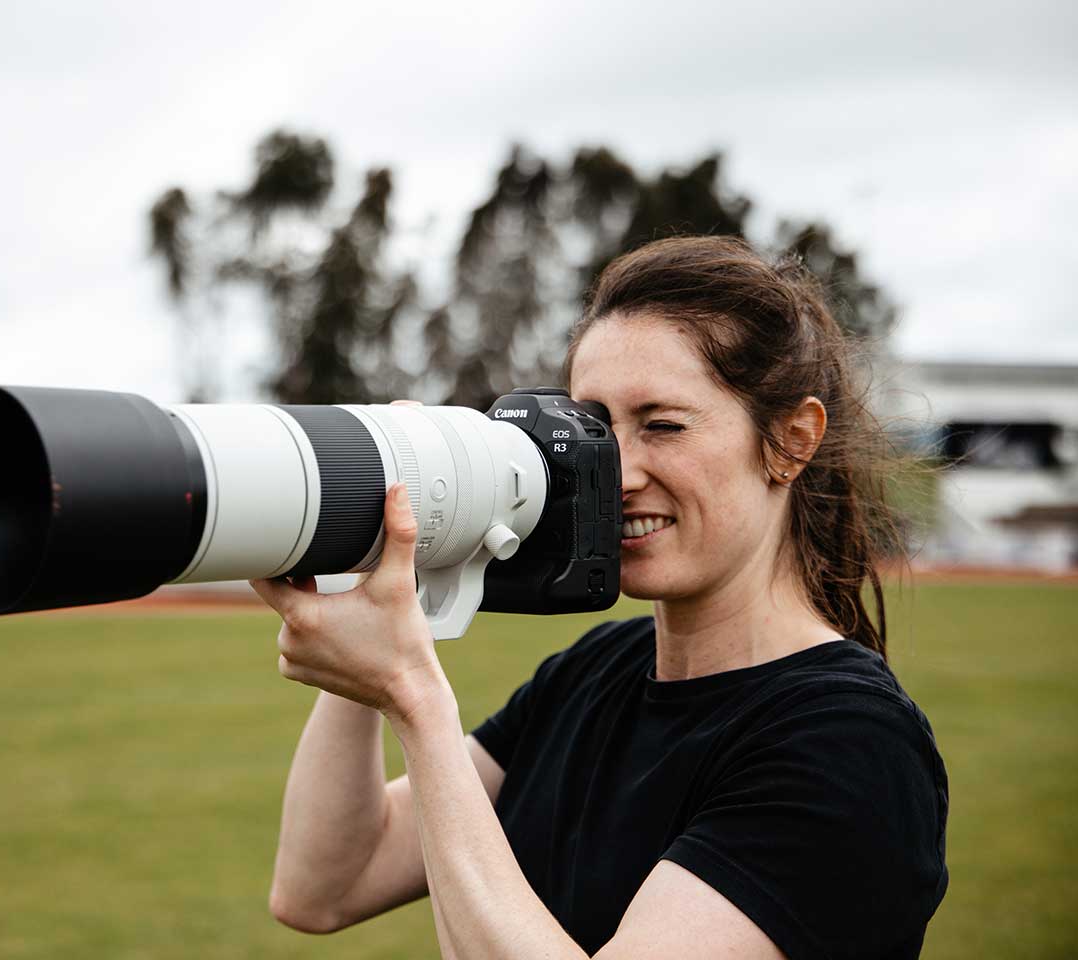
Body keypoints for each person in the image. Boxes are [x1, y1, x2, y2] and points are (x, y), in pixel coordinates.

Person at [250, 236, 949, 959]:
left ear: (792, 440)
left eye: (663, 425)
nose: (616, 474)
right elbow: (325, 886)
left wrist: (413, 696)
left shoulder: (847, 741)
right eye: (595, 427)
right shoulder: (598, 671)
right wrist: (376, 568)